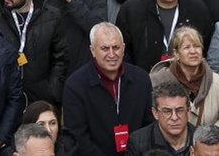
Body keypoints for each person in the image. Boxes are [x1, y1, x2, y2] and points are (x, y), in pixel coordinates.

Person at [61, 22, 154, 156]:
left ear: (123, 48)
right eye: (105, 48)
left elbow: (149, 126)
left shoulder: (141, 79)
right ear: (93, 50)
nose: (111, 54)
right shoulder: (75, 85)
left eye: (116, 47)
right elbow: (77, 136)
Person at [0, 0, 69, 106]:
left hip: (40, 98)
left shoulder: (52, 17)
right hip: (4, 96)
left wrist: (52, 91)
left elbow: (61, 59)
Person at [118, 0, 214, 72]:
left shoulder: (197, 9)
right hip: (146, 78)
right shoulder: (132, 10)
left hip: (188, 77)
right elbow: (123, 51)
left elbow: (208, 47)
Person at [148, 25, 219, 136]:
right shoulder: (158, 82)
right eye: (187, 47)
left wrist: (206, 138)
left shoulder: (215, 81)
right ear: (176, 53)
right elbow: (151, 120)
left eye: (197, 46)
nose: (193, 51)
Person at [128, 83, 197, 156]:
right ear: (155, 113)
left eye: (180, 110)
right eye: (167, 111)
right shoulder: (138, 142)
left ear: (188, 112)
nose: (174, 117)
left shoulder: (200, 140)